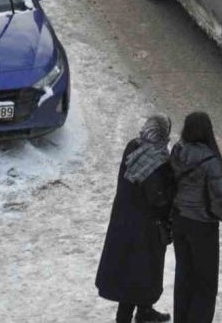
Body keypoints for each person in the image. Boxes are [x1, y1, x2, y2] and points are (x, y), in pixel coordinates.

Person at [96, 115, 175, 323]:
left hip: (126, 220)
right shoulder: (156, 158)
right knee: (138, 273)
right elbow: (158, 197)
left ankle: (144, 310)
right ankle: (125, 318)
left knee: (135, 271)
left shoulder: (134, 147)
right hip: (145, 227)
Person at [170, 112, 222, 323]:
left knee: (184, 276)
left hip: (180, 221)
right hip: (202, 226)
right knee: (205, 283)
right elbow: (221, 201)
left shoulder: (178, 152)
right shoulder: (210, 160)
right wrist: (221, 213)